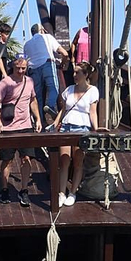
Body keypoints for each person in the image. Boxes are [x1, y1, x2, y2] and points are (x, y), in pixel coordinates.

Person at [0, 55, 41, 206]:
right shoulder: (5, 82)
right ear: (13, 67)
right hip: (8, 127)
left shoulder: (30, 81)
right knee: (7, 160)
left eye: (23, 68)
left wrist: (38, 118)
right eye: (18, 68)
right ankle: (5, 189)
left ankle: (24, 190)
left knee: (27, 158)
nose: (20, 71)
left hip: (25, 126)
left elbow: (33, 100)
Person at [51, 61, 102, 208]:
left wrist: (96, 129)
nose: (74, 75)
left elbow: (93, 112)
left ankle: (72, 192)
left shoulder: (93, 91)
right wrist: (55, 123)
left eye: (77, 72)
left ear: (86, 75)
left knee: (78, 161)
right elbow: (64, 110)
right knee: (64, 160)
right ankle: (61, 193)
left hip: (82, 127)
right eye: (74, 72)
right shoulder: (69, 90)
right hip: (66, 126)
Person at [23, 22, 68, 120]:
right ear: (41, 30)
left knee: (37, 95)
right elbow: (64, 53)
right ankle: (50, 105)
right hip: (47, 64)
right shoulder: (47, 37)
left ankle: (40, 120)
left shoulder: (27, 44)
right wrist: (62, 63)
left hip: (33, 69)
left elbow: (25, 60)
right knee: (53, 88)